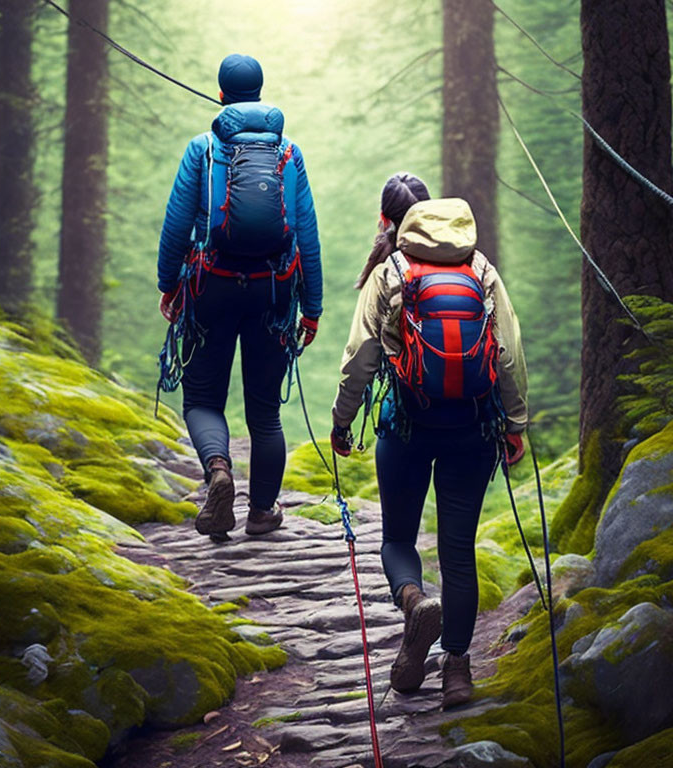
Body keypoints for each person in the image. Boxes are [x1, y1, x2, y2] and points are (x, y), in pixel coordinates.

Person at [331, 194, 527, 710]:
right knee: (458, 551)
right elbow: (507, 351)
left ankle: (414, 601)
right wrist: (515, 423)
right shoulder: (481, 269)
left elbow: (361, 358)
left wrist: (342, 420)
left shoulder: (390, 271)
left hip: (408, 425)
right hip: (473, 426)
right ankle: (457, 672)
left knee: (397, 538)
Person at [157, 53, 322, 540]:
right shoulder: (289, 153)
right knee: (265, 410)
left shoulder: (203, 149)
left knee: (203, 397)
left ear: (222, 94)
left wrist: (169, 285)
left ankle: (219, 470)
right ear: (261, 91)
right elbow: (307, 236)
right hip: (273, 292)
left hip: (210, 286)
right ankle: (262, 512)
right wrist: (311, 309)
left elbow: (176, 226)